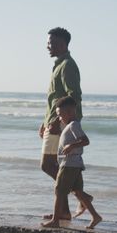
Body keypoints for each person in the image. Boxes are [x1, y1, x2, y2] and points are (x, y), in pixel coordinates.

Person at [39, 27, 92, 221]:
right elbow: (55, 99)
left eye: (50, 42)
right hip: (53, 121)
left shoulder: (68, 65)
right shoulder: (59, 64)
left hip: (60, 123)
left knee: (47, 165)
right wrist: (44, 121)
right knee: (54, 166)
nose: (47, 46)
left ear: (62, 44)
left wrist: (58, 121)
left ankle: (80, 197)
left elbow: (73, 96)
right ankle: (65, 209)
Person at [41, 96, 102, 229]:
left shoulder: (74, 125)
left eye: (59, 114)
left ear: (69, 112)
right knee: (78, 192)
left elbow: (85, 141)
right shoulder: (69, 125)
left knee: (59, 191)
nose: (59, 118)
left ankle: (55, 221)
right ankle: (95, 216)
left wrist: (71, 146)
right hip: (74, 164)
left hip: (69, 164)